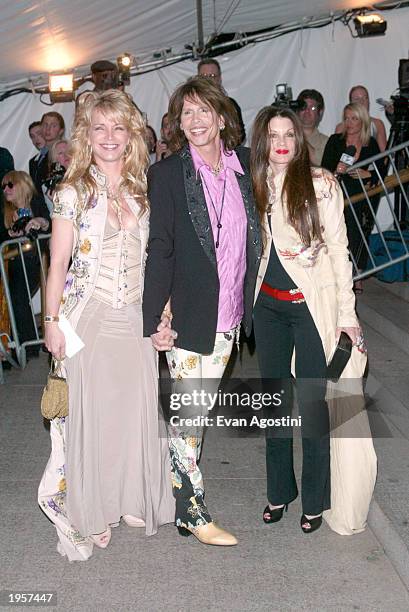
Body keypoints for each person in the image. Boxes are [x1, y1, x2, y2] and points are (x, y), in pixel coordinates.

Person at [38, 89, 174, 561]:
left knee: (136, 410)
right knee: (92, 416)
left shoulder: (145, 189)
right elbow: (57, 264)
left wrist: (165, 312)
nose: (110, 137)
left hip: (136, 312)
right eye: (100, 128)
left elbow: (159, 259)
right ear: (87, 136)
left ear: (132, 134)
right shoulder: (71, 192)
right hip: (89, 314)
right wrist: (51, 321)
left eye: (119, 128)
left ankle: (133, 498)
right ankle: (92, 509)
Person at [143, 76, 261, 546]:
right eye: (185, 113)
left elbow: (282, 180)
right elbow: (162, 247)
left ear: (221, 117)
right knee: (189, 417)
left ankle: (179, 501)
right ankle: (193, 512)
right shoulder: (169, 174)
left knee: (196, 413)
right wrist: (157, 316)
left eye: (202, 111)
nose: (194, 121)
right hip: (189, 314)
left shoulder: (242, 166)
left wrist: (318, 174)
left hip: (231, 314)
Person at [251, 106, 376, 535]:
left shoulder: (322, 184)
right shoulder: (256, 183)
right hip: (266, 309)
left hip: (309, 309)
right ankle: (279, 491)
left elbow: (340, 254)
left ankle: (316, 499)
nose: (282, 141)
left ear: (299, 139)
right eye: (273, 134)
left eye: (289, 133)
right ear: (263, 140)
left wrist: (347, 316)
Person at [322, 103, 384, 290]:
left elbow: (381, 168)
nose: (349, 123)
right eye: (346, 118)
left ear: (362, 120)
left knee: (359, 231)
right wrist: (337, 170)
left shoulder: (370, 144)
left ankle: (357, 273)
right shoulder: (335, 141)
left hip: (362, 196)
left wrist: (368, 174)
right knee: (339, 232)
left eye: (354, 118)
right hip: (339, 193)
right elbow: (324, 168)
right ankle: (337, 273)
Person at [1, 171, 49, 358]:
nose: (5, 189)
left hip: (35, 261)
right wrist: (11, 236)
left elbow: (48, 222)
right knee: (15, 300)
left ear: (22, 184)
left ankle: (29, 345)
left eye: (10, 185)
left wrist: (39, 222)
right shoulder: (6, 212)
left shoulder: (36, 203)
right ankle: (24, 344)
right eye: (3, 186)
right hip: (15, 264)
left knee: (19, 299)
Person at [198, 58, 246, 143]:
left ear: (220, 78)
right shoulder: (190, 105)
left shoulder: (230, 104)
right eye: (204, 76)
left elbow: (240, 134)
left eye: (212, 76)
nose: (208, 80)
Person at [336, 86, 387, 152]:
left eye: (365, 98)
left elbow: (385, 154)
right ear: (351, 103)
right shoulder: (341, 127)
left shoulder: (377, 124)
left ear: (369, 102)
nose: (362, 102)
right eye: (357, 99)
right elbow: (336, 153)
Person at [296, 89, 328, 165]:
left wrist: (298, 137)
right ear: (297, 110)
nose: (307, 111)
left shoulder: (326, 142)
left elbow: (321, 163)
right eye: (304, 107)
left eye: (312, 108)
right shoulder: (285, 137)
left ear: (320, 112)